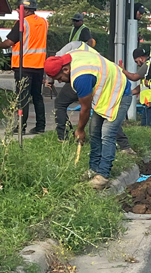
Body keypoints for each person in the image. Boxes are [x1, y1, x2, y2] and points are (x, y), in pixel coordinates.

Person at [44, 49, 130, 189]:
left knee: (107, 134)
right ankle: (94, 169)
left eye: (59, 78)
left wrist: (80, 130)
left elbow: (85, 107)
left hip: (119, 93)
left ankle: (103, 176)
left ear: (65, 69)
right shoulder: (71, 57)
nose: (60, 81)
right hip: (104, 93)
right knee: (95, 131)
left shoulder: (81, 77)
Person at [0, 0, 48, 133]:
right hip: (39, 66)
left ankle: (20, 127)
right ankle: (40, 126)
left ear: (26, 9)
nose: (17, 11)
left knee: (22, 97)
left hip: (24, 66)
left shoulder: (22, 23)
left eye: (19, 8)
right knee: (37, 96)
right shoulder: (43, 22)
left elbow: (10, 43)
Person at [123, 47, 151, 126]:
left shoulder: (147, 65)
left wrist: (123, 70)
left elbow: (134, 77)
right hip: (148, 104)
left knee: (150, 128)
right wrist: (131, 92)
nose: (137, 64)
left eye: (136, 61)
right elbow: (142, 86)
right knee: (145, 126)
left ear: (141, 58)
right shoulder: (149, 65)